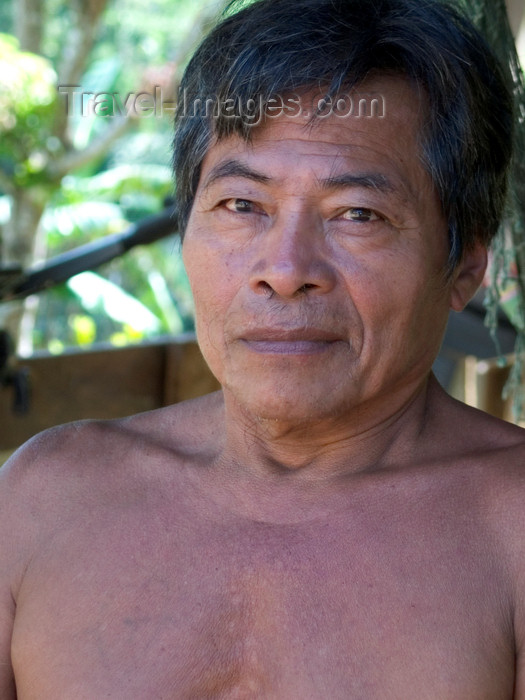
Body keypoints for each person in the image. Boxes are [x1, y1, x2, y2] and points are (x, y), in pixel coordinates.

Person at [0, 0, 523, 696]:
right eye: (241, 206)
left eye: (356, 215)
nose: (284, 268)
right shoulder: (46, 499)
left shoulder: (509, 533)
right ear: (186, 228)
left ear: (463, 266)